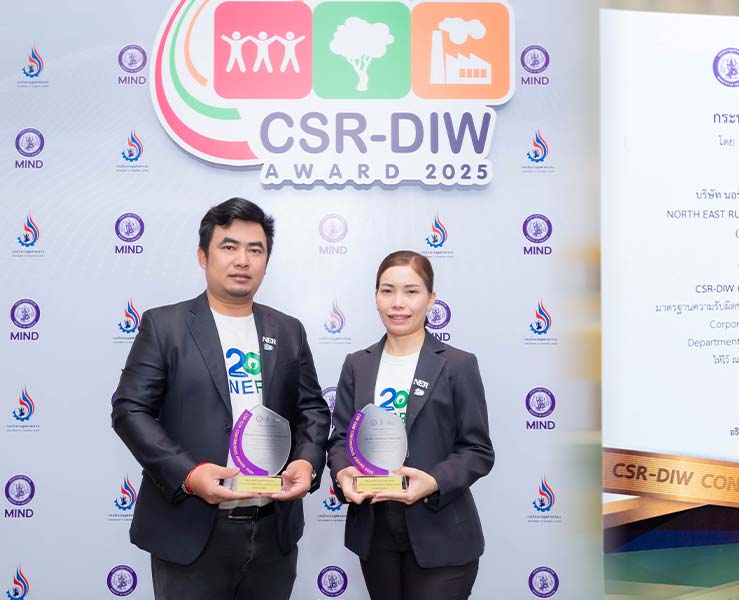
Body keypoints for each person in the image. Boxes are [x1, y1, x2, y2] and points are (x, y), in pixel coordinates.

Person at [112, 198, 330, 600]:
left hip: (273, 530)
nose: (242, 260)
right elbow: (130, 410)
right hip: (189, 529)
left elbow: (312, 410)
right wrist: (189, 474)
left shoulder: (288, 330)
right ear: (203, 256)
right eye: (229, 247)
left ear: (266, 261)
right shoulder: (165, 325)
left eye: (255, 250)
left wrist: (307, 462)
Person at [328, 250, 493, 599]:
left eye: (411, 291)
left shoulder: (457, 365)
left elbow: (477, 450)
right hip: (376, 533)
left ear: (431, 299)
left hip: (442, 533)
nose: (398, 303)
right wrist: (343, 474)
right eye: (387, 291)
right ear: (376, 297)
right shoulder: (357, 364)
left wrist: (432, 481)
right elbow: (340, 439)